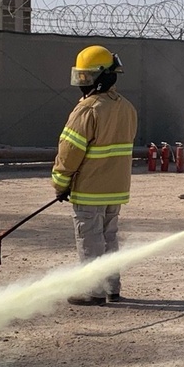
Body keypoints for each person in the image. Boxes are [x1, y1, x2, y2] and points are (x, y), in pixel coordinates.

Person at [51, 45, 138, 306]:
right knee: (109, 238)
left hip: (90, 190)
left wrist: (60, 183)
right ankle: (112, 288)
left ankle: (93, 290)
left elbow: (69, 153)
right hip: (116, 189)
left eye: (86, 77)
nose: (82, 83)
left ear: (99, 77)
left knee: (90, 240)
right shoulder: (127, 108)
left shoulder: (88, 110)